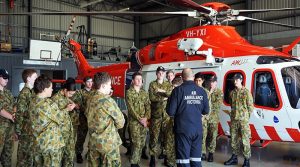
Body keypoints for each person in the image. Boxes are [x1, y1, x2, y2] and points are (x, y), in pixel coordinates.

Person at [167, 68, 209, 167]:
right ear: (193, 77)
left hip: (183, 130)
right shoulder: (202, 91)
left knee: (183, 161)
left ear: (182, 77)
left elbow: (170, 112)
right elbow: (206, 111)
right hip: (197, 130)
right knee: (196, 159)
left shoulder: (178, 90)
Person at [86, 72, 125, 167]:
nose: (110, 87)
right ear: (103, 86)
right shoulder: (108, 101)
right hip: (108, 145)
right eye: (109, 85)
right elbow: (121, 122)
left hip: (93, 143)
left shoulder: (90, 98)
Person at [29, 75, 66, 166]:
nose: (52, 90)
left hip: (38, 143)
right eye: (51, 88)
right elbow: (61, 118)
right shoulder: (48, 104)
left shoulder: (32, 102)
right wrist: (66, 110)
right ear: (45, 89)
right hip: (51, 145)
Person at [224, 73, 253, 167]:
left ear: (241, 80)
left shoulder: (246, 92)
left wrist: (245, 117)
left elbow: (250, 107)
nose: (235, 81)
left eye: (237, 79)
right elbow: (232, 106)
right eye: (234, 80)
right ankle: (234, 158)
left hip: (243, 121)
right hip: (234, 120)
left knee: (245, 140)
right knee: (233, 139)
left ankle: (247, 160)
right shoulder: (232, 93)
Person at [148, 66, 173, 166]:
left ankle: (166, 156)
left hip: (167, 115)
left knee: (167, 137)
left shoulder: (168, 84)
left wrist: (162, 93)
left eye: (162, 72)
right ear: (156, 73)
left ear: (164, 73)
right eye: (159, 72)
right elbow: (152, 97)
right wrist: (164, 97)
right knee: (154, 136)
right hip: (156, 115)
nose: (161, 74)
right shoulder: (152, 84)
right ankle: (152, 157)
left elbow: (171, 95)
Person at [126, 72, 151, 167]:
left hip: (144, 122)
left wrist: (146, 118)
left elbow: (148, 106)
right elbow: (130, 108)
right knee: (136, 142)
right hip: (134, 122)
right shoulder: (129, 92)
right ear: (133, 81)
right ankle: (134, 163)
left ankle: (136, 160)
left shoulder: (144, 92)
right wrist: (140, 119)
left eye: (140, 79)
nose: (139, 81)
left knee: (142, 142)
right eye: (137, 79)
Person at [51, 77, 77, 167]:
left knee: (69, 156)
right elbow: (53, 117)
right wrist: (67, 109)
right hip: (60, 134)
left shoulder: (66, 97)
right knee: (60, 157)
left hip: (68, 132)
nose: (71, 96)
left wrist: (73, 105)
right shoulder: (55, 99)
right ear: (65, 90)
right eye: (70, 93)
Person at [15, 69, 38, 167]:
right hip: (25, 129)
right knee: (23, 157)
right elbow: (20, 113)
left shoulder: (31, 91)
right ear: (28, 79)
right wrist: (18, 131)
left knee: (29, 155)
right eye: (35, 77)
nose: (36, 79)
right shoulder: (25, 92)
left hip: (30, 129)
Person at [72, 76, 93, 163]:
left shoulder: (95, 93)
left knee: (93, 138)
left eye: (91, 82)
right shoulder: (79, 92)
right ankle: (78, 154)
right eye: (88, 82)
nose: (90, 84)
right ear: (84, 83)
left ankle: (90, 153)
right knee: (81, 138)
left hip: (92, 120)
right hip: (83, 120)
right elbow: (79, 105)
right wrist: (88, 111)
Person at [203, 76, 223, 162]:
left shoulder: (219, 92)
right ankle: (203, 153)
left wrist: (210, 93)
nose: (211, 83)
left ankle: (211, 153)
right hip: (205, 118)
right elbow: (203, 103)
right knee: (203, 136)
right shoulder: (204, 91)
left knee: (212, 136)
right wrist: (209, 93)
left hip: (213, 118)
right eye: (210, 81)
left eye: (213, 82)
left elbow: (216, 105)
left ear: (216, 83)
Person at [165, 76, 183, 167]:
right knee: (169, 143)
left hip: (181, 124)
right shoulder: (172, 95)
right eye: (172, 87)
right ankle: (170, 162)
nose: (173, 89)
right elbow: (168, 111)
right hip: (171, 123)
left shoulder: (184, 97)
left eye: (175, 87)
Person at [194, 72, 211, 161]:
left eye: (199, 81)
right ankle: (194, 153)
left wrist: (203, 117)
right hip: (193, 119)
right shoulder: (192, 91)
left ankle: (202, 153)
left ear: (202, 81)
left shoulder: (206, 92)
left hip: (202, 119)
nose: (197, 82)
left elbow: (208, 107)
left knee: (203, 136)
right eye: (196, 80)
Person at [0, 69, 15, 167]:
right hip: (1, 129)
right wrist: (12, 117)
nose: (7, 80)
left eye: (8, 78)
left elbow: (14, 105)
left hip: (9, 129)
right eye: (4, 78)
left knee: (7, 155)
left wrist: (14, 113)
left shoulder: (8, 92)